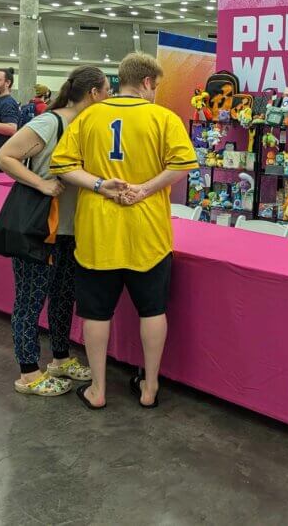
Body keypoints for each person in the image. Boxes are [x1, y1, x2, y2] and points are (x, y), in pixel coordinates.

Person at [51, 53, 198, 410]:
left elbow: (63, 165)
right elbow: (183, 163)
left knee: (96, 313)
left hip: (98, 232)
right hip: (148, 231)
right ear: (147, 82)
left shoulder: (89, 116)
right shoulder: (164, 118)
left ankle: (98, 389)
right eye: (157, 86)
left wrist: (101, 185)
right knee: (152, 310)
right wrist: (146, 189)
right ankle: (150, 387)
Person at [0, 66, 110, 397]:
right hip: (39, 228)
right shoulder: (51, 122)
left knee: (63, 296)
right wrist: (42, 184)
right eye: (106, 91)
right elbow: (6, 157)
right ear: (93, 94)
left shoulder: (84, 126)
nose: (109, 98)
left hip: (70, 230)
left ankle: (60, 357)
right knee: (29, 301)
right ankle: (28, 372)